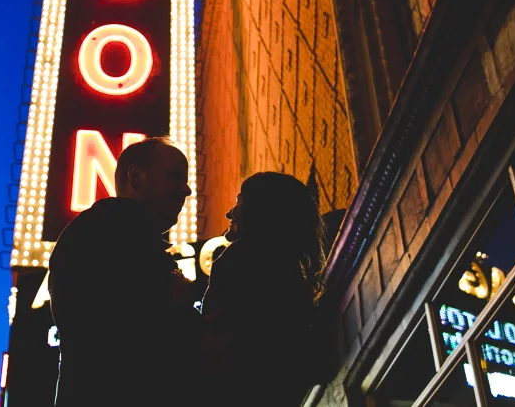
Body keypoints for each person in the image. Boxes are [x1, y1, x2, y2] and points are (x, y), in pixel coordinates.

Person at [48, 136, 199, 407]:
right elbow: (140, 332)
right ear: (136, 176)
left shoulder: (107, 230)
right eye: (174, 177)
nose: (185, 190)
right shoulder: (113, 229)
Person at [201, 172, 326, 406]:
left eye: (239, 202)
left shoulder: (238, 261)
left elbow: (215, 343)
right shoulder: (289, 273)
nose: (229, 212)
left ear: (260, 212)